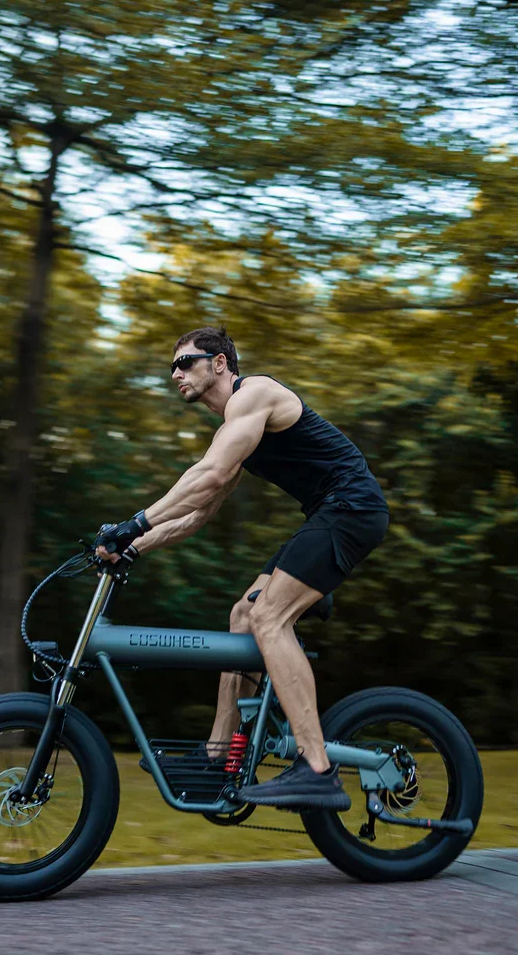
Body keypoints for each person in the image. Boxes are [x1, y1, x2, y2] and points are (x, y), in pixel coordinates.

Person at [95, 325, 389, 810]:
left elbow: (205, 474)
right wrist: (132, 547)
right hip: (329, 514)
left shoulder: (255, 394)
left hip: (352, 509)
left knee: (269, 617)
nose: (175, 374)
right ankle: (217, 759)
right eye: (171, 367)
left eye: (184, 361)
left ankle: (317, 769)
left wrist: (133, 522)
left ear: (219, 363)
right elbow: (198, 511)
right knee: (242, 615)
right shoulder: (235, 428)